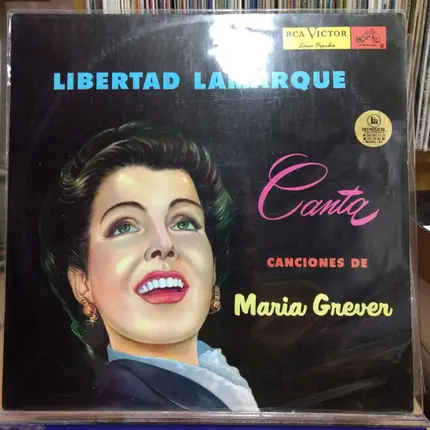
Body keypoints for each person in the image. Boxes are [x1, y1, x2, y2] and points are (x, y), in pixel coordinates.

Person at [39, 121, 259, 412]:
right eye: (124, 226)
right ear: (82, 282)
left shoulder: (226, 386)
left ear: (214, 268)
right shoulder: (117, 412)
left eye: (184, 222)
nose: (164, 244)